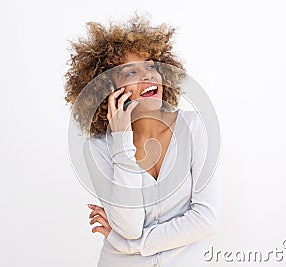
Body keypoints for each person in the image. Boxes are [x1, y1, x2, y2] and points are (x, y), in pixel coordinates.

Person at [64, 15, 221, 267]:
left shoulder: (195, 127)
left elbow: (206, 219)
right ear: (108, 90)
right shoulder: (97, 149)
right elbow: (129, 227)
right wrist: (122, 143)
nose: (148, 76)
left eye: (150, 66)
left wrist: (130, 245)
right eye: (131, 72)